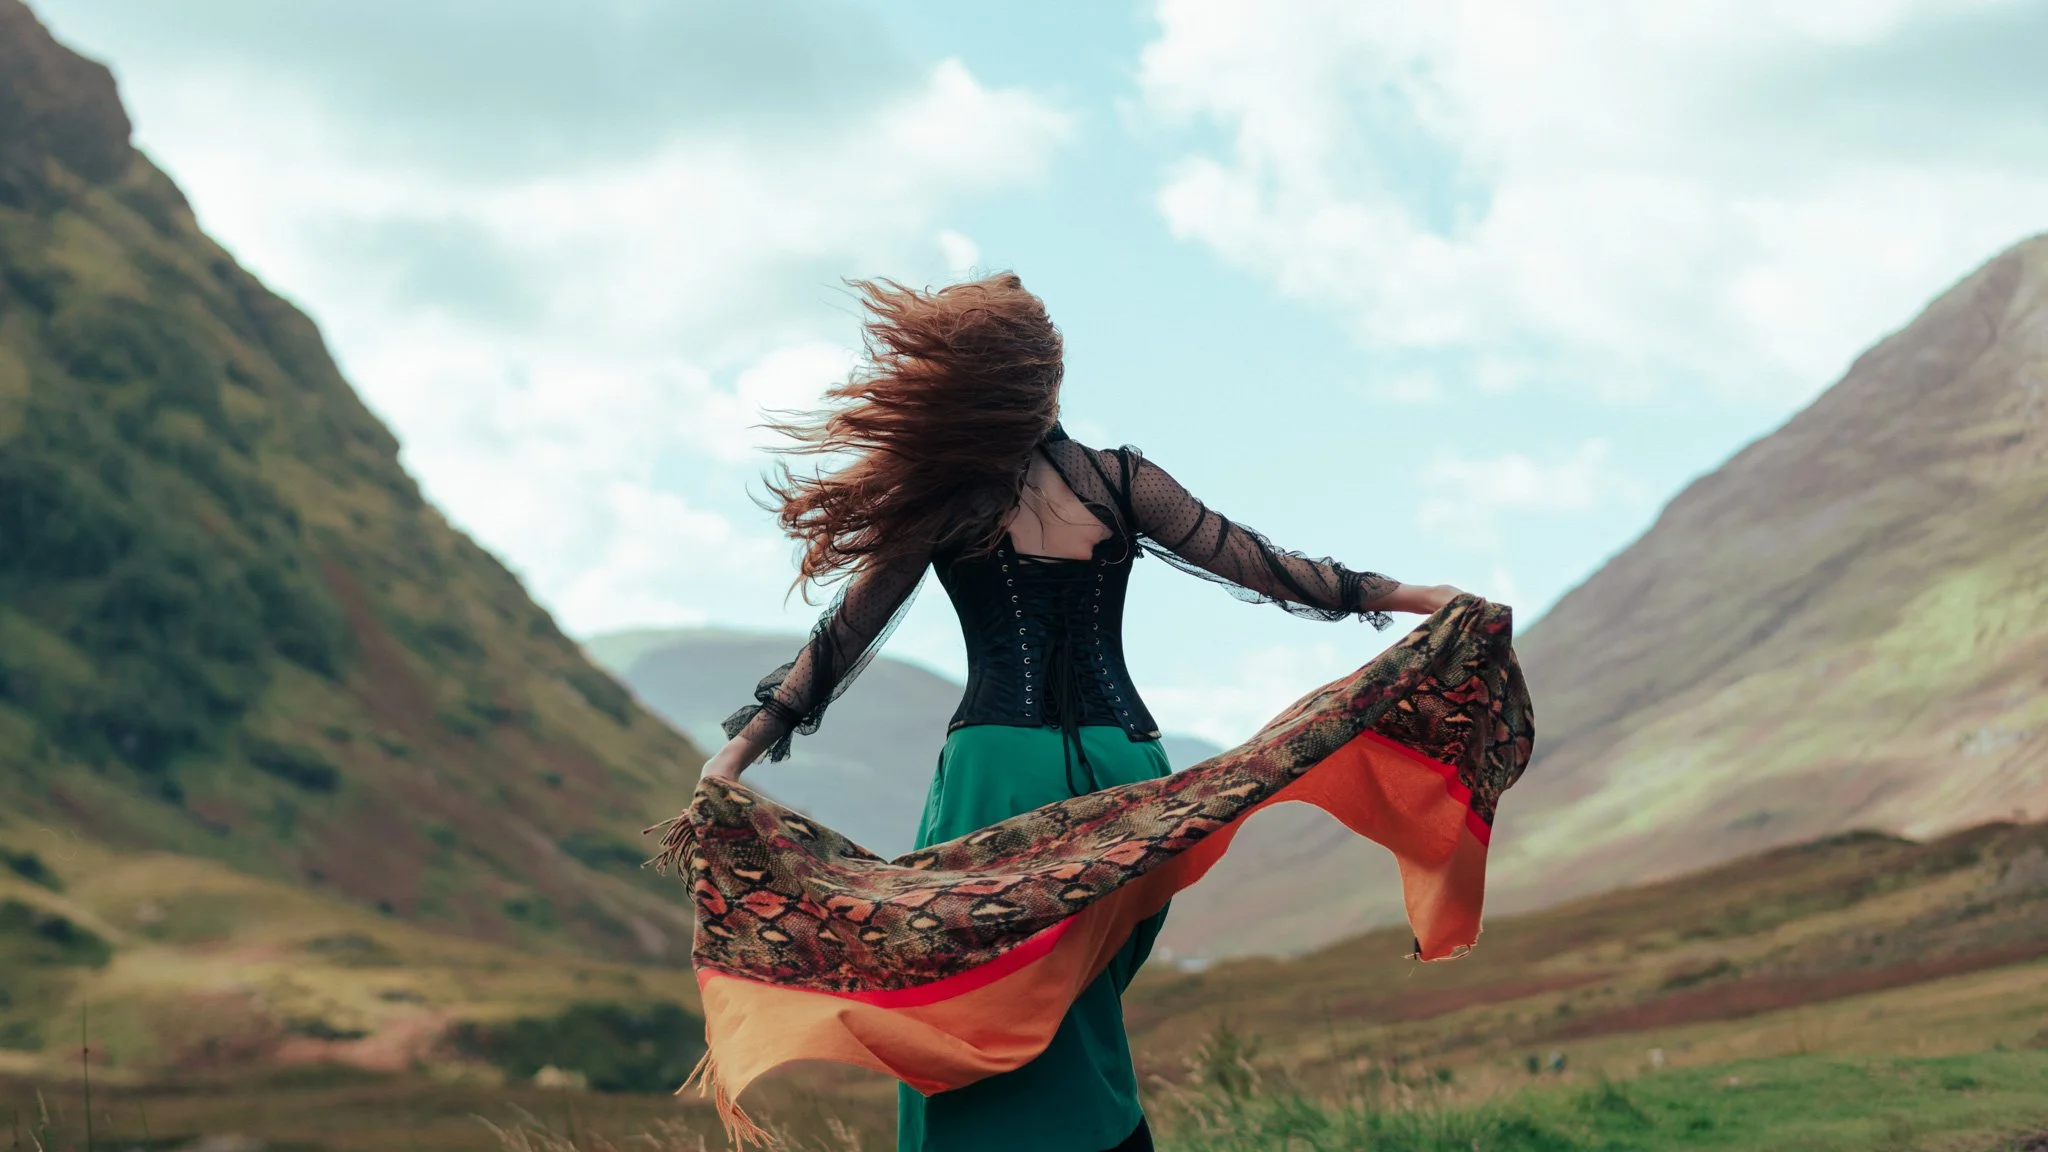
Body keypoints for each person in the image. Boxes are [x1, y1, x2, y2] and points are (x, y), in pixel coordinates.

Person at [694, 272, 1462, 1152]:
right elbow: (1257, 561)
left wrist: (741, 753)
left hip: (999, 769)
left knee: (973, 986)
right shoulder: (1121, 483)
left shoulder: (951, 500)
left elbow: (845, 635)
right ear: (1047, 381)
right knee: (1077, 989)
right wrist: (1408, 595)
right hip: (1127, 766)